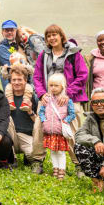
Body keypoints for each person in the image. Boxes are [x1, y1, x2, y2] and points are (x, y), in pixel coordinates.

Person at [33, 24, 88, 177]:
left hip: (69, 97)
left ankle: (79, 164)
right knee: (40, 126)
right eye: (49, 35)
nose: (52, 38)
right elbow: (37, 77)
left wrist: (68, 93)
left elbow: (82, 75)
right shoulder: (43, 55)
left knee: (71, 129)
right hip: (48, 97)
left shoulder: (73, 53)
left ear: (61, 36)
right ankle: (37, 160)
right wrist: (42, 94)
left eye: (54, 34)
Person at [6, 65, 45, 173]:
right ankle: (11, 158)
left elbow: (38, 122)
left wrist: (30, 111)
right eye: (14, 80)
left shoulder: (34, 97)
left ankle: (29, 158)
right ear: (10, 81)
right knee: (6, 118)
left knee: (33, 155)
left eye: (19, 80)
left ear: (26, 80)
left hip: (26, 135)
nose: (16, 83)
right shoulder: (6, 97)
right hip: (11, 135)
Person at [38, 73, 77, 179]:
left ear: (62, 86)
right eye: (51, 85)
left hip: (59, 131)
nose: (53, 88)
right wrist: (43, 120)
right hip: (49, 131)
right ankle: (55, 168)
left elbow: (72, 113)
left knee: (60, 152)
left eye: (56, 85)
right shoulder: (46, 99)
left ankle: (62, 170)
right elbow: (41, 112)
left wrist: (65, 121)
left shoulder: (67, 101)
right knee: (52, 151)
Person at [0, 19, 19, 89]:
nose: (9, 32)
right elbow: (14, 65)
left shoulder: (20, 45)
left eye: (12, 30)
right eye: (6, 30)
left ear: (16, 32)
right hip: (9, 84)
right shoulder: (1, 48)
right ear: (2, 32)